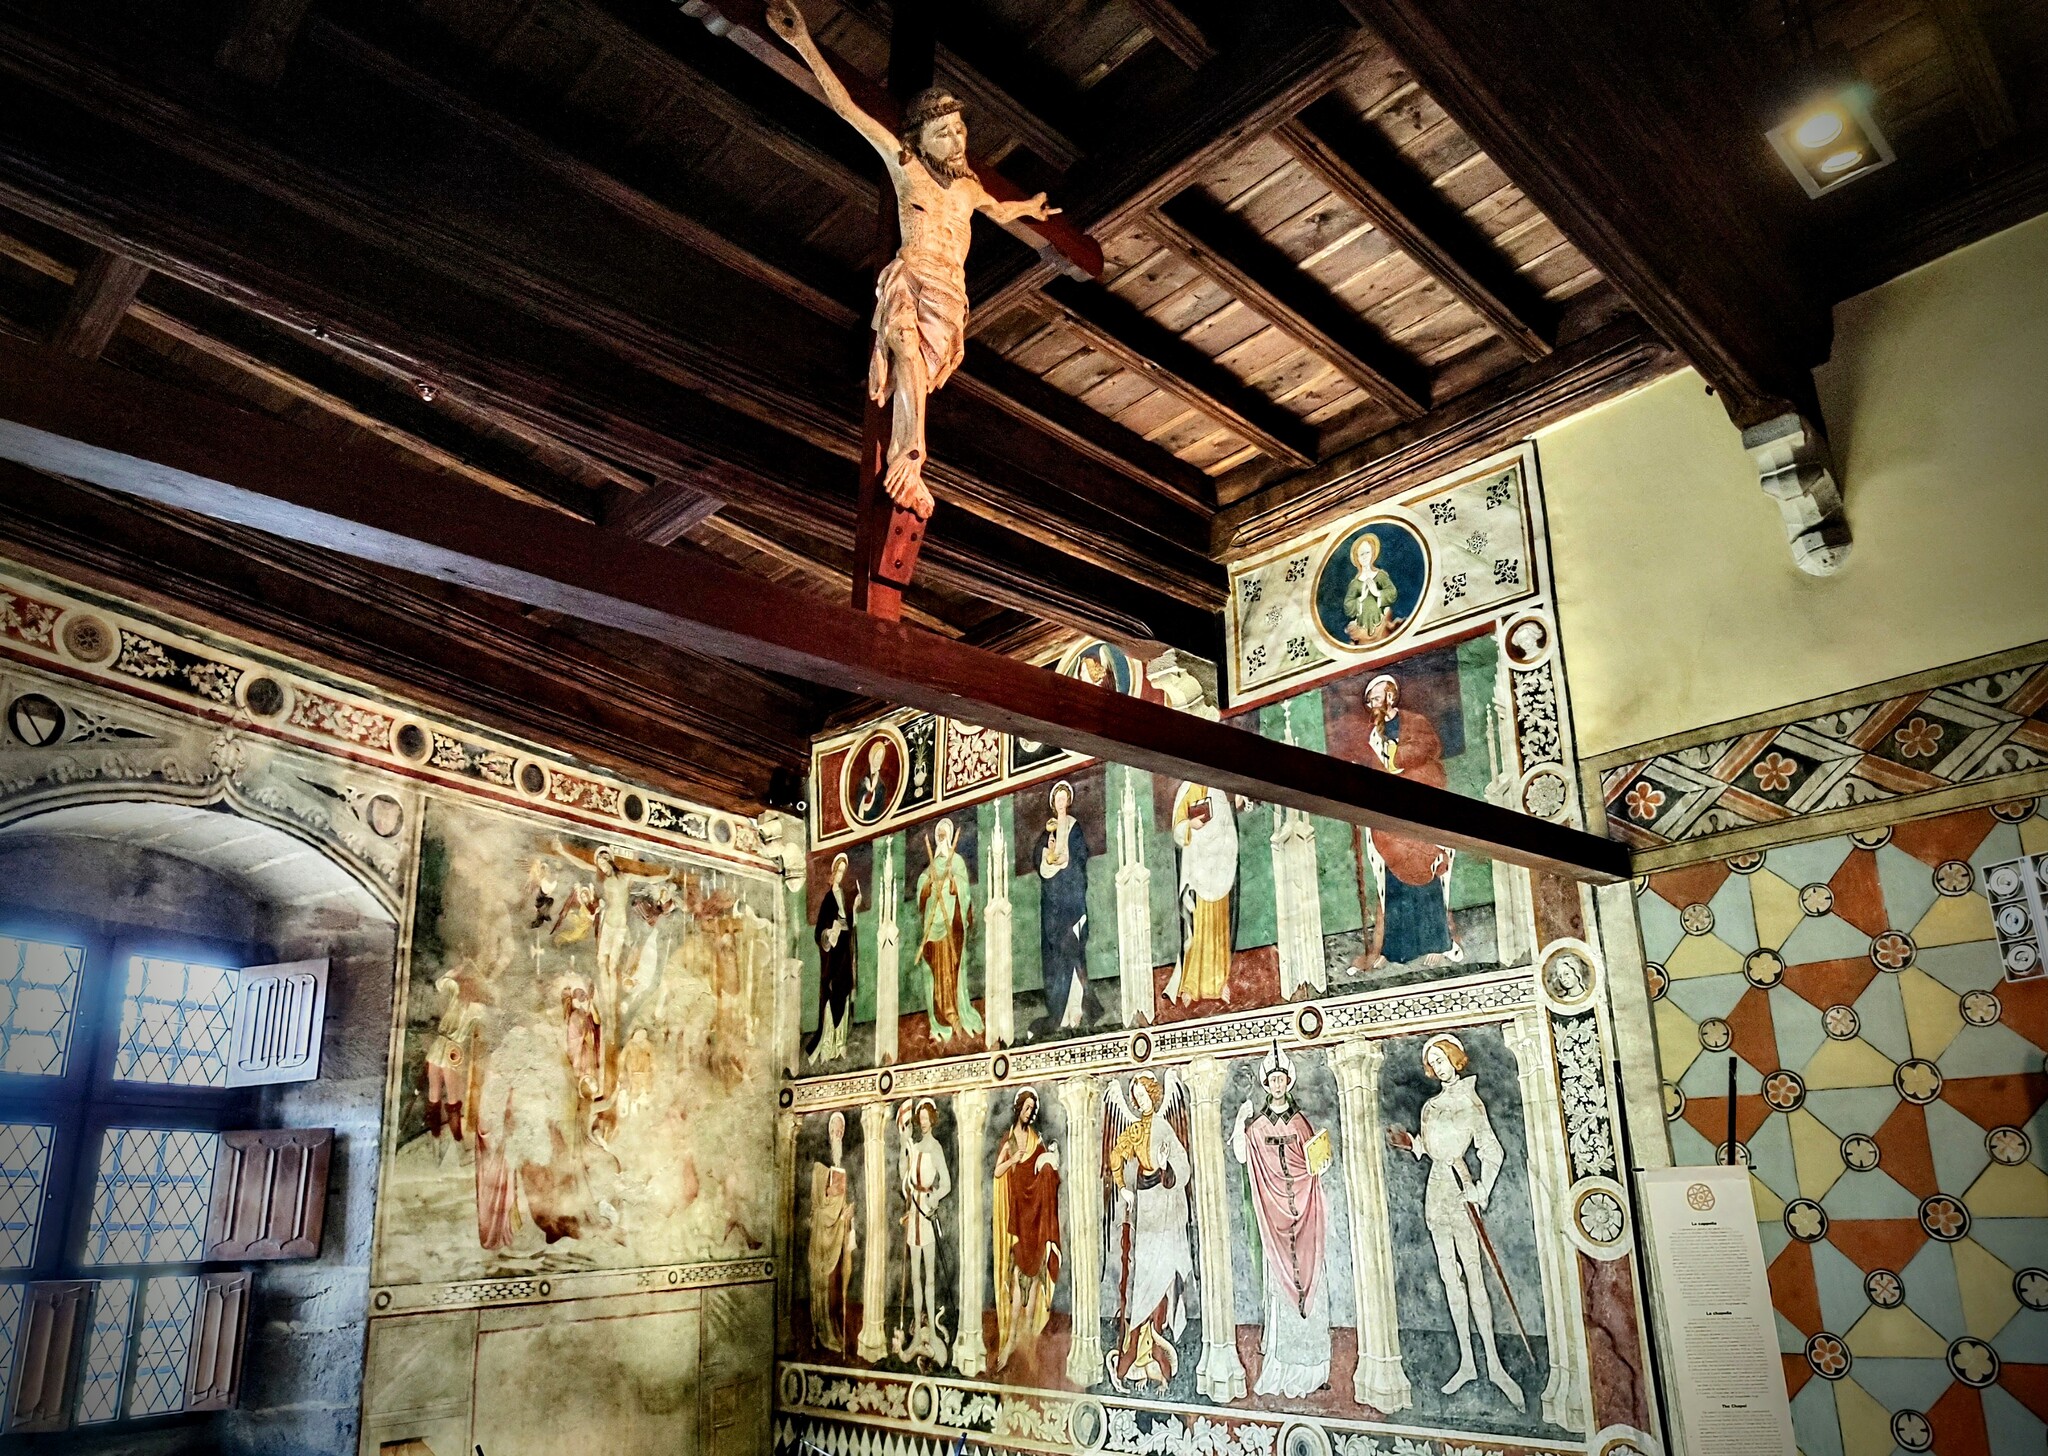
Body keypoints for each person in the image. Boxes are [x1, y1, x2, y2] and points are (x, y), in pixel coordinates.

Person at [766, 0, 1059, 519]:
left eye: (960, 130)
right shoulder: (907, 169)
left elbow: (999, 209)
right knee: (903, 347)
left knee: (919, 371)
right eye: (943, 133)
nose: (956, 139)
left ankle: (912, 454)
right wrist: (804, 42)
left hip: (950, 291)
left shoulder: (968, 188)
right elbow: (847, 108)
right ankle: (912, 455)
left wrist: (1030, 208)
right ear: (918, 138)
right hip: (913, 272)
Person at [1389, 1033, 1524, 1408]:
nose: (1439, 1065)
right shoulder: (1430, 1106)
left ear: (1455, 1058)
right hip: (1436, 1189)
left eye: (1442, 1057)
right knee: (1450, 1277)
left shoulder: (1470, 1101)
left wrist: (1481, 1189)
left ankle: (1495, 1365)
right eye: (1433, 1060)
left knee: (1474, 1275)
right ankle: (1467, 1362)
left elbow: (1492, 1151)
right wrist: (1411, 1143)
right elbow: (1429, 1148)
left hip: (1460, 1185)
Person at [1231, 1045, 1332, 1397]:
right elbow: (1243, 1155)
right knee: (1279, 1288)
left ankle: (1314, 1369)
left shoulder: (1300, 1122)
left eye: (1281, 1078)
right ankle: (1282, 1368)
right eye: (1272, 1079)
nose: (1276, 1084)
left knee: (1313, 1279)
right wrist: (1240, 1122)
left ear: (1288, 1082)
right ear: (1266, 1084)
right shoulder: (1258, 1126)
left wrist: (1321, 1164)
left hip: (1305, 1213)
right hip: (1275, 1219)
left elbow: (1314, 1162)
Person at [1357, 675, 1462, 969]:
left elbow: (1429, 747)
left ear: (1391, 696)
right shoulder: (1374, 736)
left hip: (1420, 803)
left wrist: (1397, 754)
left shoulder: (1414, 722)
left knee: (1425, 867)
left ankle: (1437, 943)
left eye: (1376, 698)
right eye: (1369, 701)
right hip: (1393, 813)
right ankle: (1396, 950)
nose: (1373, 705)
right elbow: (1377, 771)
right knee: (1394, 875)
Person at [1102, 1072, 1194, 1391]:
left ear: (1154, 1096)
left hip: (1164, 1203)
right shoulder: (1135, 1130)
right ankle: (1138, 1354)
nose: (1140, 1101)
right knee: (1143, 1278)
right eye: (1136, 1097)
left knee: (1163, 1275)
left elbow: (1184, 1169)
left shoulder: (1163, 1128)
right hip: (1145, 1204)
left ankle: (1156, 1347)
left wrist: (1166, 1166)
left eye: (1144, 1095)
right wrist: (1122, 1186)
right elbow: (1116, 1155)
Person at [991, 1089, 1061, 1371]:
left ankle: (1028, 1343)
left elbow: (1048, 1172)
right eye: (1026, 1107)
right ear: (1018, 1108)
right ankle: (1010, 1341)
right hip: (1018, 1214)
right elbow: (998, 1172)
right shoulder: (1010, 1140)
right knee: (1017, 1280)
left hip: (1035, 1216)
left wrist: (1050, 1162)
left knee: (1033, 1281)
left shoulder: (1036, 1140)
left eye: (1032, 1108)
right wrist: (1014, 1159)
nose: (1029, 1112)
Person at [1167, 783, 1237, 1005]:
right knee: (1198, 927)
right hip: (1198, 870)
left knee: (1220, 927)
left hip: (1219, 867)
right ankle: (1191, 984)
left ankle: (1220, 982)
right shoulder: (1187, 789)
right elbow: (1178, 829)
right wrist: (1191, 825)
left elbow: (1227, 826)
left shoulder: (1218, 791)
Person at [916, 818, 983, 1043]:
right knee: (935, 972)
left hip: (950, 926)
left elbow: (964, 890)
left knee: (950, 970)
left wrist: (953, 884)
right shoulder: (930, 868)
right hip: (933, 927)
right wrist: (928, 886)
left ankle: (954, 1013)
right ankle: (939, 1019)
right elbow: (921, 891)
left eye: (945, 834)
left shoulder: (957, 862)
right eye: (939, 835)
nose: (942, 837)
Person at [897, 1098, 953, 1365]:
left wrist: (934, 1198)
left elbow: (946, 1183)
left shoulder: (935, 1148)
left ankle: (931, 1325)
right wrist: (903, 1146)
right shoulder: (915, 1147)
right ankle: (918, 1334)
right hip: (914, 1213)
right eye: (920, 1119)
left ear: (932, 1119)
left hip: (927, 1213)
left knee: (929, 1276)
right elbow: (905, 1178)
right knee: (915, 1278)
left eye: (926, 1118)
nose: (923, 1122)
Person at [1037, 780, 1092, 1030]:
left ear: (1067, 802)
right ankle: (1060, 1012)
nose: (1060, 803)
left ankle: (1076, 1008)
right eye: (1057, 799)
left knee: (1074, 951)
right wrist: (1048, 857)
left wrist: (1066, 864)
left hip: (1071, 903)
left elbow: (1080, 857)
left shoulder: (1073, 828)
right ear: (1053, 803)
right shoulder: (1048, 832)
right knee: (1057, 957)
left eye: (1063, 799)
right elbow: (1039, 857)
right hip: (1054, 906)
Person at [808, 1110, 858, 1355]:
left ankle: (836, 1328)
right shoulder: (820, 1161)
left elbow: (852, 1193)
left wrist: (850, 1209)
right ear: (828, 1131)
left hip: (840, 1230)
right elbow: (818, 1195)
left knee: (838, 1283)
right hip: (823, 1231)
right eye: (834, 1128)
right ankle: (822, 1330)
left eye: (841, 1129)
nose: (837, 1132)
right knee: (823, 1284)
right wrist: (828, 1193)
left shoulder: (847, 1161)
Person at [808, 852, 863, 1064]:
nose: (840, 875)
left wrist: (854, 908)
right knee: (832, 994)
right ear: (833, 873)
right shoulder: (828, 900)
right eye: (838, 871)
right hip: (833, 954)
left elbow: (849, 923)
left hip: (845, 951)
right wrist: (829, 933)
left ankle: (841, 1043)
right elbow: (819, 933)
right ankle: (828, 1044)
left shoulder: (844, 897)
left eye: (843, 871)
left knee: (844, 991)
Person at [423, 972, 483, 1167]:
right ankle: (442, 1149)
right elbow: (440, 983)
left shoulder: (476, 1007)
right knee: (437, 1100)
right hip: (443, 1048)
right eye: (467, 984)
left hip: (449, 1050)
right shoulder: (458, 993)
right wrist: (457, 970)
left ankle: (452, 1150)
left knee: (449, 1102)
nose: (467, 987)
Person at [1344, 532, 1401, 644]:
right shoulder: (1355, 583)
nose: (1365, 556)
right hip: (1361, 627)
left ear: (1373, 553)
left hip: (1381, 622)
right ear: (1357, 558)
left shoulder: (1380, 575)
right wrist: (1361, 598)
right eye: (1361, 554)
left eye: (1367, 552)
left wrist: (1377, 593)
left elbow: (1392, 592)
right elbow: (1348, 604)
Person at [852, 739, 892, 824]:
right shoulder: (863, 780)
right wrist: (865, 791)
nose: (878, 761)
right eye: (877, 757)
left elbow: (880, 809)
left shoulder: (881, 787)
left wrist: (871, 790)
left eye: (880, 758)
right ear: (872, 757)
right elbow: (856, 803)